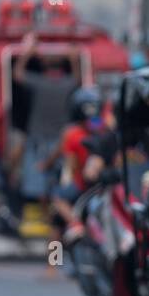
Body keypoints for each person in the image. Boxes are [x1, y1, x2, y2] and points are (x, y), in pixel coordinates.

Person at [11, 32, 81, 207]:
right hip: (59, 140)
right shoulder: (67, 83)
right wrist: (73, 59)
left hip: (39, 138)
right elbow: (78, 80)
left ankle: (42, 211)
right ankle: (53, 211)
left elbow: (17, 74)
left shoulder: (37, 82)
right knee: (57, 179)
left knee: (37, 179)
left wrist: (26, 54)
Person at [43, 85, 108, 241]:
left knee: (57, 207)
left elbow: (70, 164)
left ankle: (74, 224)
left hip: (84, 184)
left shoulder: (72, 134)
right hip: (105, 184)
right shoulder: (106, 129)